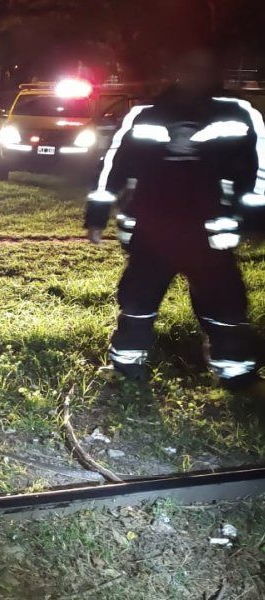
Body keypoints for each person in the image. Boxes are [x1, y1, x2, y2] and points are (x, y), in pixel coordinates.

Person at [86, 49, 264, 395]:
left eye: (202, 67)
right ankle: (125, 367)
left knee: (225, 303)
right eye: (188, 66)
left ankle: (237, 375)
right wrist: (97, 217)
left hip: (211, 233)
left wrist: (254, 219)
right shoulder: (144, 115)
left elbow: (258, 171)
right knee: (137, 299)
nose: (194, 74)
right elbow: (113, 167)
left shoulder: (240, 114)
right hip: (152, 229)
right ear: (176, 72)